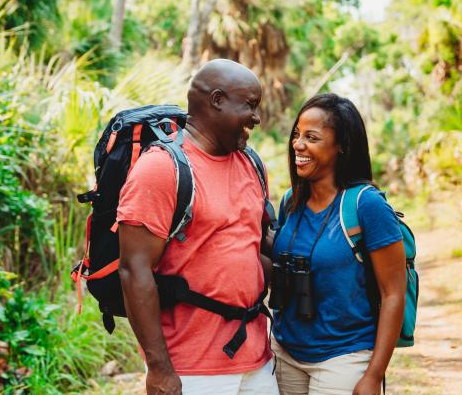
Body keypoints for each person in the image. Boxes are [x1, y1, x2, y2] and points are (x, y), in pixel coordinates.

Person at [116, 59, 278, 395]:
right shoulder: (161, 168)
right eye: (249, 105)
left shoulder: (251, 163)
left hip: (257, 360)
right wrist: (159, 368)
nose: (257, 118)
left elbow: (255, 248)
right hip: (192, 368)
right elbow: (134, 269)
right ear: (217, 100)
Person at [271, 93, 406, 395]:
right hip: (284, 352)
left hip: (343, 357)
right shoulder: (290, 202)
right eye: (296, 134)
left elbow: (393, 293)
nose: (298, 145)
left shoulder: (365, 205)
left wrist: (374, 375)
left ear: (341, 146)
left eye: (312, 137)